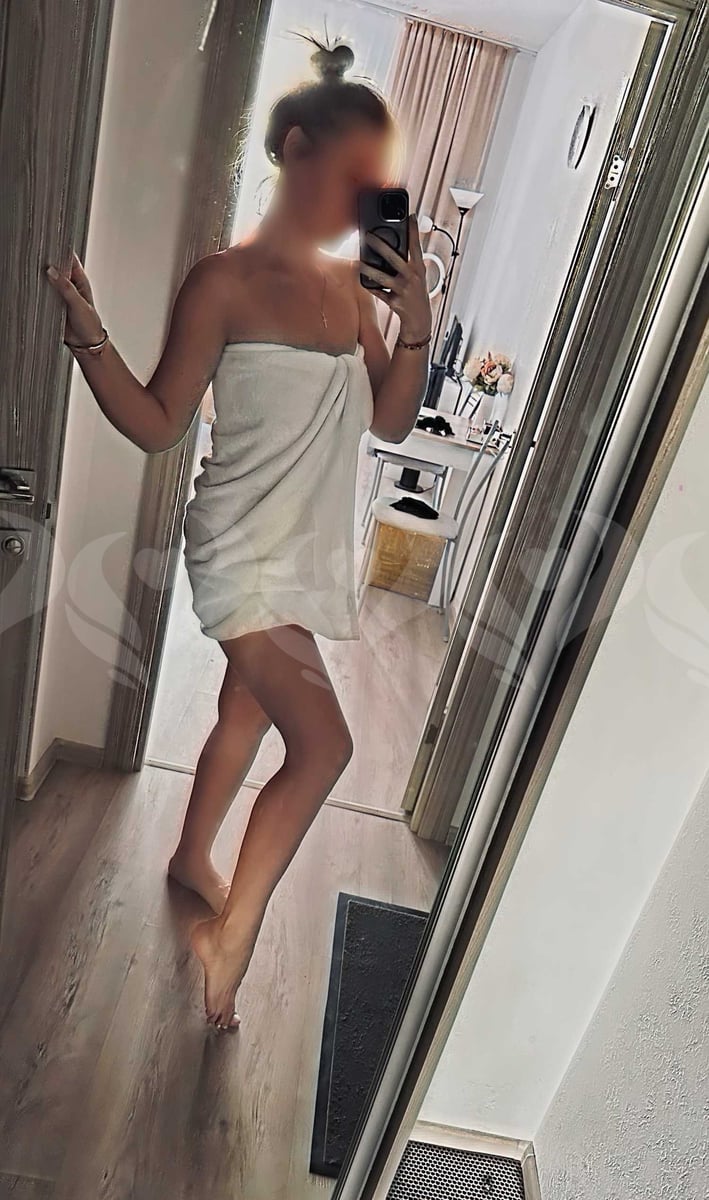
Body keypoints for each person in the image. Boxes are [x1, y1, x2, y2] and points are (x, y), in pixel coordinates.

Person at [45, 35, 432, 1032]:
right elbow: (157, 422)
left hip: (307, 548)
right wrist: (87, 332)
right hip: (243, 548)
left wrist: (416, 323)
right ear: (295, 149)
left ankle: (190, 857)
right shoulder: (222, 281)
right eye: (350, 174)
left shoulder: (355, 291)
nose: (362, 199)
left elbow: (392, 421)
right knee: (324, 745)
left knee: (246, 713)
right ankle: (232, 935)